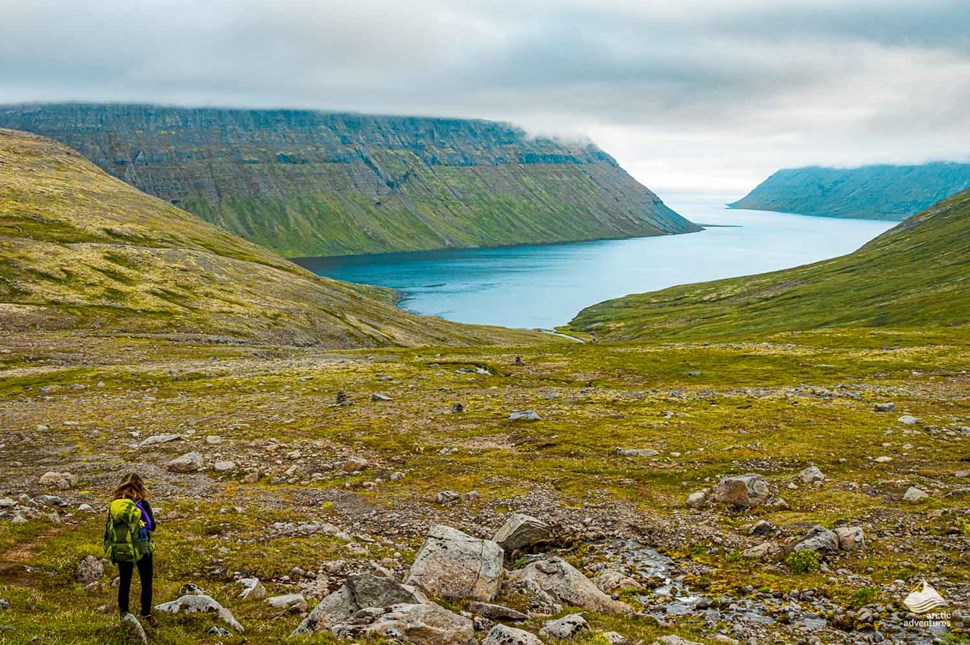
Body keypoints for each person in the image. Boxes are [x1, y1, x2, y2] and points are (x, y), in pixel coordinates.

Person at [107, 473, 158, 627]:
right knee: (146, 581)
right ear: (140, 486)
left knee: (125, 581)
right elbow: (152, 526)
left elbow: (108, 528)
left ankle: (124, 613)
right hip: (142, 548)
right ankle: (146, 614)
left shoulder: (115, 504)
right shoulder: (142, 503)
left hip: (122, 547)